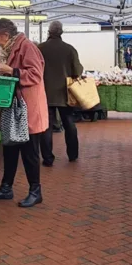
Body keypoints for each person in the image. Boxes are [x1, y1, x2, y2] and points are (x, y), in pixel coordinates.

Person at [0, 18, 48, 208]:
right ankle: (6, 188)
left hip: (26, 107)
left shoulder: (27, 47)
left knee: (29, 152)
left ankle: (36, 192)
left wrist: (12, 71)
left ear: (6, 35)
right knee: (10, 148)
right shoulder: (3, 50)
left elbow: (36, 74)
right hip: (11, 106)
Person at [38, 21, 83, 166]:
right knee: (69, 124)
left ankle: (48, 158)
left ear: (49, 32)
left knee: (46, 126)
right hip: (65, 94)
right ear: (61, 32)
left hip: (44, 94)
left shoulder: (40, 49)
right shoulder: (69, 49)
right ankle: (73, 154)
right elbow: (78, 71)